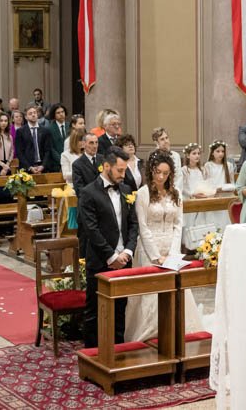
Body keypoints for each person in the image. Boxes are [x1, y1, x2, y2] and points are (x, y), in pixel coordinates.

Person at [125, 151, 201, 342]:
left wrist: (174, 253)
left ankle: (177, 331)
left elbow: (178, 224)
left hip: (171, 248)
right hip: (149, 250)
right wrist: (156, 256)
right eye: (158, 172)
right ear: (151, 171)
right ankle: (149, 335)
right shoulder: (143, 193)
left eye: (165, 173)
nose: (161, 177)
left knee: (176, 290)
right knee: (151, 294)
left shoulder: (175, 194)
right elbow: (142, 227)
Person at [78, 147, 139, 347]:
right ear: (106, 166)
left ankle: (118, 351)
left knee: (121, 308)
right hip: (100, 260)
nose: (124, 175)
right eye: (119, 170)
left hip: (124, 260)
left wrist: (128, 252)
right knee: (95, 311)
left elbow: (133, 225)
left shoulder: (126, 190)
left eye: (125, 170)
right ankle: (92, 356)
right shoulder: (88, 193)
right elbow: (91, 230)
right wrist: (112, 256)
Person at [184, 141, 232, 246]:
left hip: (219, 199)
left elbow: (230, 183)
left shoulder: (203, 169)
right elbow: (187, 186)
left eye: (222, 151)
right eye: (218, 151)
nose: (220, 154)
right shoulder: (204, 167)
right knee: (195, 226)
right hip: (196, 200)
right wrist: (195, 194)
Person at [15, 105, 51, 173]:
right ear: (26, 117)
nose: (33, 115)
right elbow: (19, 152)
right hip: (27, 168)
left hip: (43, 167)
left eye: (35, 113)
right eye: (30, 113)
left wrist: (43, 165)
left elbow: (48, 150)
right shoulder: (20, 131)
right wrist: (29, 167)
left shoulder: (45, 130)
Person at [71, 131, 101, 197]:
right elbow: (79, 189)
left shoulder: (103, 160)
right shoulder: (77, 165)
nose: (95, 146)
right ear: (84, 144)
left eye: (96, 142)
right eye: (91, 143)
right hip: (88, 201)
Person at [44, 103, 69, 174]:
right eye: (58, 113)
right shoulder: (49, 128)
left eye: (62, 112)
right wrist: (62, 160)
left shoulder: (70, 126)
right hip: (55, 164)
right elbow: (51, 148)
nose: (61, 114)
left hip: (69, 162)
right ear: (54, 115)